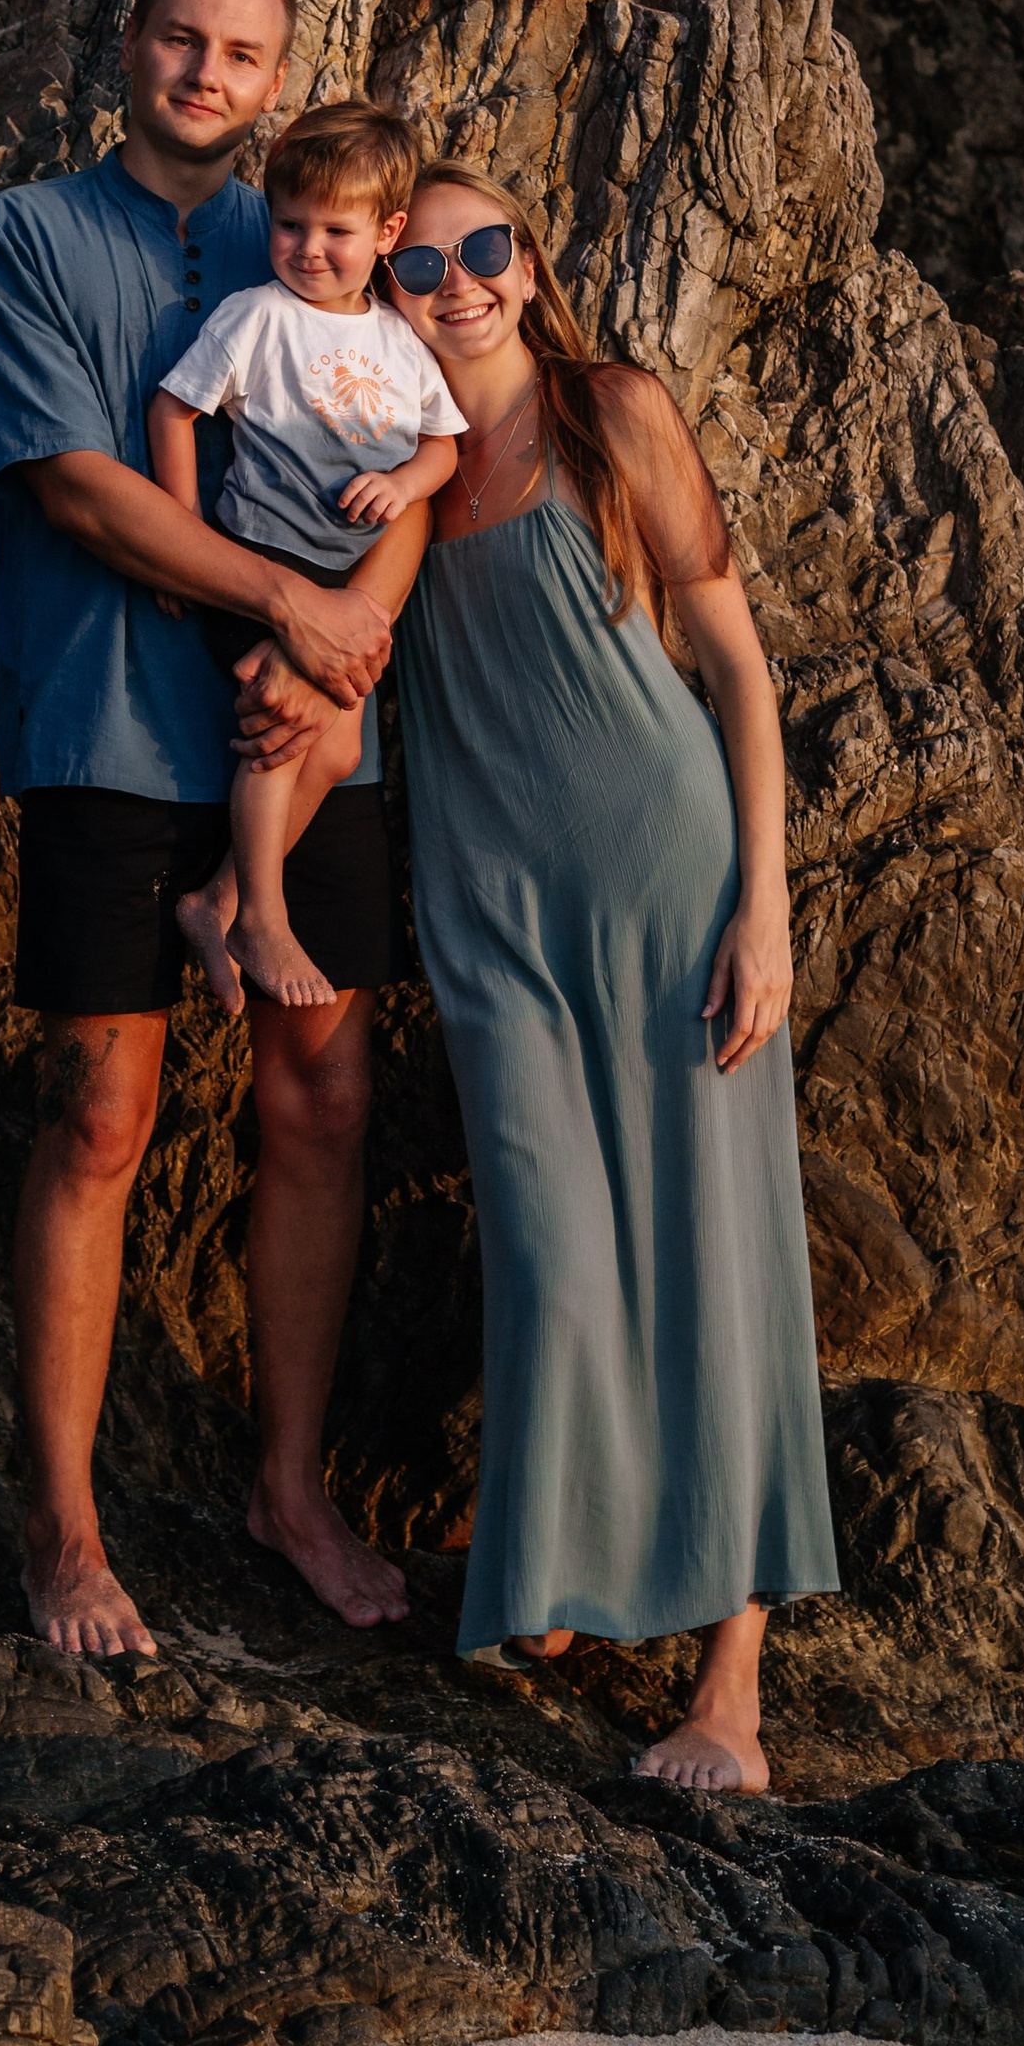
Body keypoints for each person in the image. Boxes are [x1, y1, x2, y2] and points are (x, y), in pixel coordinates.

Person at [0, 0, 420, 1661]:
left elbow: (434, 440)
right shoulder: (25, 238)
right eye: (178, 38)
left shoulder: (314, 234)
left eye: (240, 51)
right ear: (126, 44)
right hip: (110, 732)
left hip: (313, 738)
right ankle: (61, 1530)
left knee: (322, 1100)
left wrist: (348, 628)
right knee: (99, 1115)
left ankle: (286, 1493)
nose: (205, 73)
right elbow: (81, 489)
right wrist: (284, 601)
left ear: (274, 76)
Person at [384, 161, 839, 1792]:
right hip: (495, 913)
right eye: (423, 260)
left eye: (489, 247)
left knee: (718, 1256)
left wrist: (763, 904)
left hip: (671, 882)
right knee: (553, 1251)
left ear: (530, 258)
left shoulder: (609, 413)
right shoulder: (395, 471)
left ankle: (732, 1689)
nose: (462, 283)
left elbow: (734, 665)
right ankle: (565, 1568)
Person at [151, 100, 463, 1016]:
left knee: (329, 748)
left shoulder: (401, 342)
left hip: (345, 580)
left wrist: (406, 484)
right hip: (262, 559)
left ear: (387, 233)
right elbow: (176, 409)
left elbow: (442, 445)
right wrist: (182, 539)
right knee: (278, 750)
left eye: (337, 230)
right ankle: (263, 919)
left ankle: (219, 897)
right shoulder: (256, 317)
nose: (309, 248)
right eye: (290, 225)